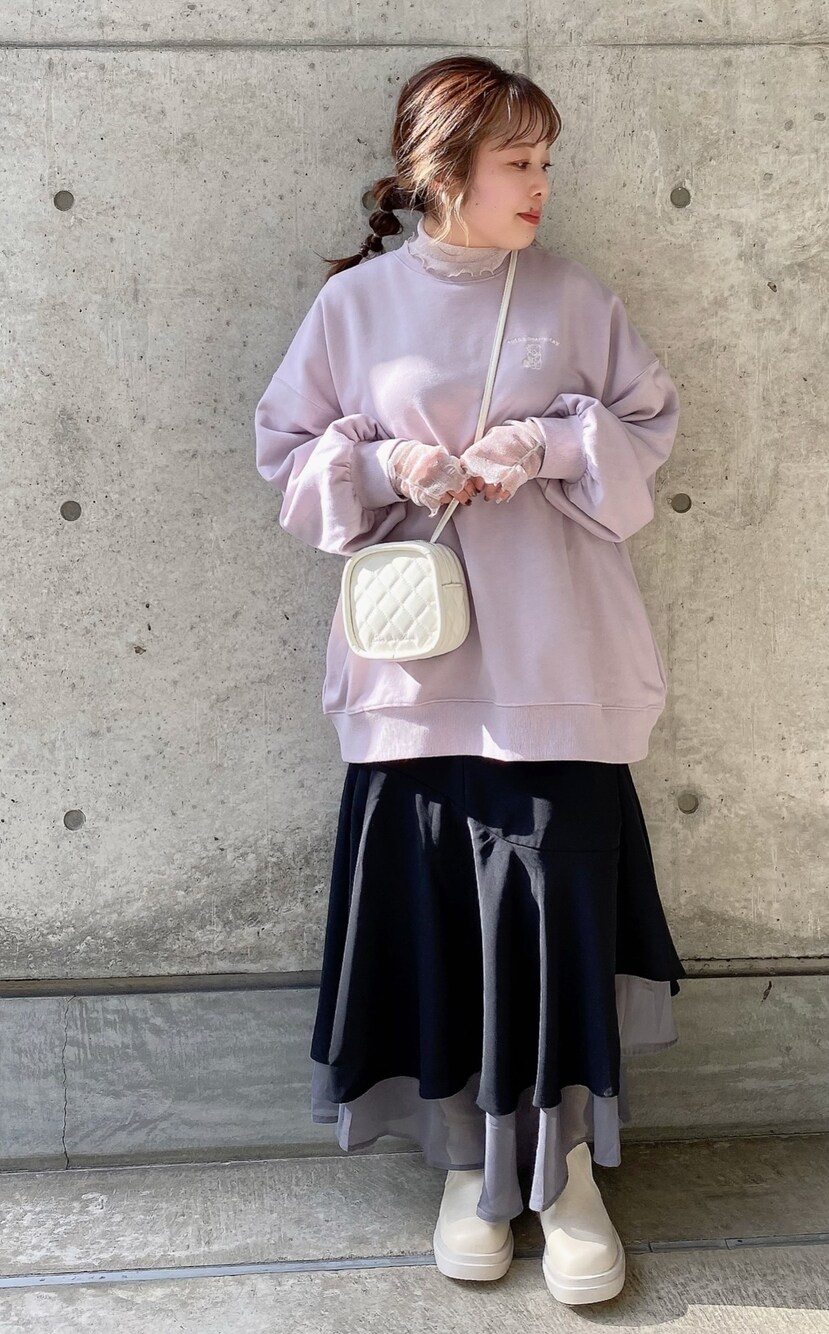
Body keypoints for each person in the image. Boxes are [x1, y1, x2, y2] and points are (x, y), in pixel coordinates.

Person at [254, 53, 687, 1307]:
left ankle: (567, 1173)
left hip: (561, 668)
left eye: (545, 160)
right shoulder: (356, 307)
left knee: (560, 925)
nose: (542, 184)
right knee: (439, 927)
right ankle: (464, 1167)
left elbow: (649, 425)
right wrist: (387, 465)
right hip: (414, 681)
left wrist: (542, 444)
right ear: (441, 171)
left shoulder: (571, 296)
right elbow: (285, 457)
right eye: (519, 162)